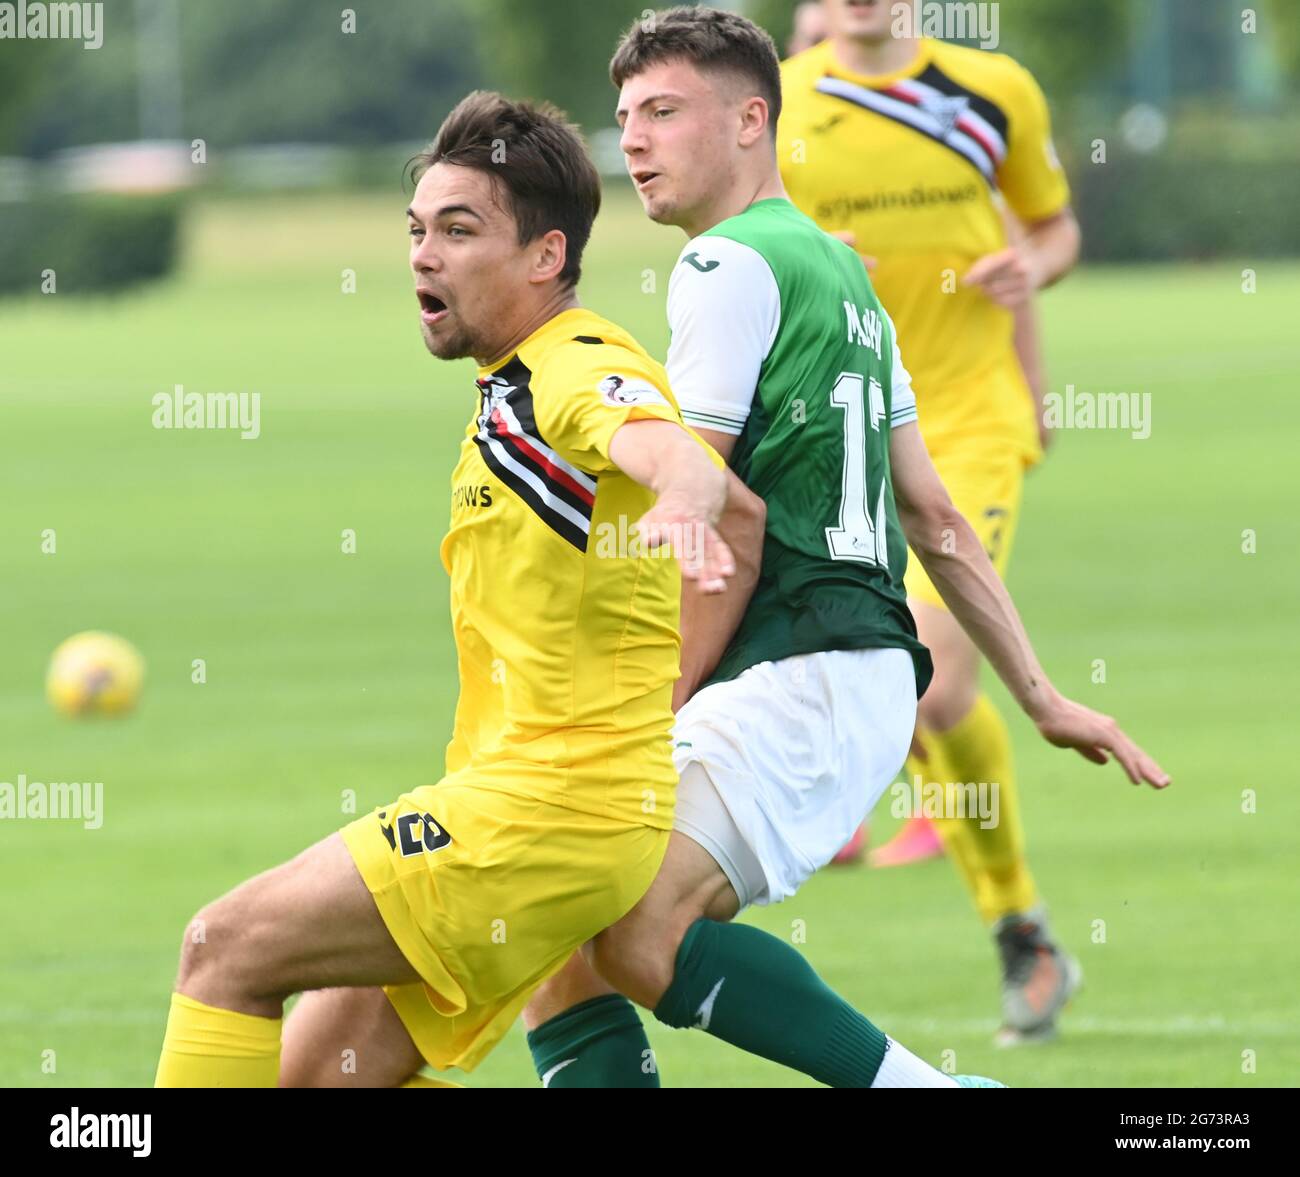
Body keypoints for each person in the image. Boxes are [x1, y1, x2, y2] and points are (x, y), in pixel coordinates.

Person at [153, 89, 740, 1087]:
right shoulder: (507, 383)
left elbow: (671, 454)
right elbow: (736, 515)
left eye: (459, 230)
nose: (424, 254)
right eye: (417, 229)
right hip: (533, 810)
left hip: (541, 818)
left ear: (545, 257)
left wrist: (685, 495)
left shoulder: (573, 363)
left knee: (225, 946)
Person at [778, 0, 1086, 1040]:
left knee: (939, 679)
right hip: (837, 423)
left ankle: (1017, 929)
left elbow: (1050, 229)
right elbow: (736, 253)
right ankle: (1023, 930)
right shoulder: (774, 105)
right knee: (920, 705)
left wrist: (1029, 271)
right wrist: (813, 264)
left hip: (964, 420)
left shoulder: (991, 92)